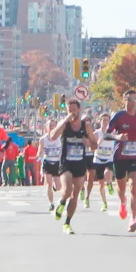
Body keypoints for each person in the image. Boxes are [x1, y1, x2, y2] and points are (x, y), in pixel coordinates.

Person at [51, 100, 97, 233]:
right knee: (66, 190)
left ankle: (67, 222)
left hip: (80, 162)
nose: (71, 112)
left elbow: (95, 146)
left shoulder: (86, 126)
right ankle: (61, 201)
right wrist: (65, 120)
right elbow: (53, 136)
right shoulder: (65, 125)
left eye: (74, 110)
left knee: (75, 195)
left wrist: (88, 142)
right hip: (66, 162)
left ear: (79, 110)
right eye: (69, 110)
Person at [108, 89, 136, 232]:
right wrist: (117, 137)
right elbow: (107, 134)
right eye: (129, 99)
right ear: (124, 100)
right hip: (120, 156)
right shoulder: (118, 116)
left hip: (135, 156)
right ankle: (122, 201)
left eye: (135, 99)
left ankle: (133, 219)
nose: (132, 102)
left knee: (134, 187)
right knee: (121, 187)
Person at [88, 112, 116, 212]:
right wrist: (97, 144)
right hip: (98, 159)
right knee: (101, 184)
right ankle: (104, 203)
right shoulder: (96, 134)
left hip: (109, 158)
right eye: (103, 120)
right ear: (100, 121)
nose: (105, 122)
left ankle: (109, 183)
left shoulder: (112, 133)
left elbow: (118, 141)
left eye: (107, 120)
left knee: (107, 173)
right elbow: (91, 148)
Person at [39, 119, 63, 211]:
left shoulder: (60, 138)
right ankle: (51, 203)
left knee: (59, 186)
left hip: (57, 162)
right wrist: (39, 155)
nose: (51, 127)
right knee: (48, 183)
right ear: (46, 127)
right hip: (47, 162)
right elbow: (40, 150)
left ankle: (55, 187)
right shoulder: (43, 139)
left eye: (53, 125)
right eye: (49, 125)